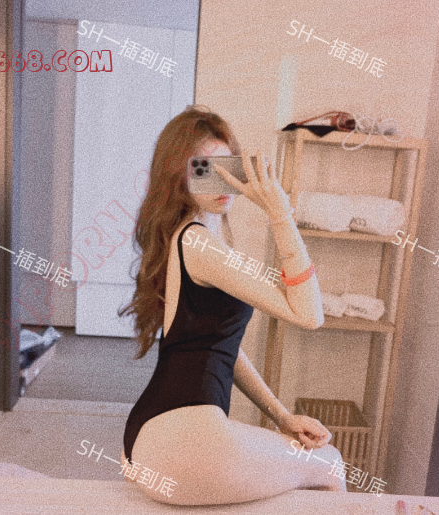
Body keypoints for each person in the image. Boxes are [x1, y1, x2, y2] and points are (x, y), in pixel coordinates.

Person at [119, 106, 346, 505]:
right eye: (204, 168)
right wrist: (279, 212)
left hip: (153, 434)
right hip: (183, 439)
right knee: (330, 465)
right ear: (178, 175)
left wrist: (282, 417)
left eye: (227, 167)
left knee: (303, 470)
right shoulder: (199, 244)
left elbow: (220, 347)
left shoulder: (189, 237)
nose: (221, 180)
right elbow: (309, 315)